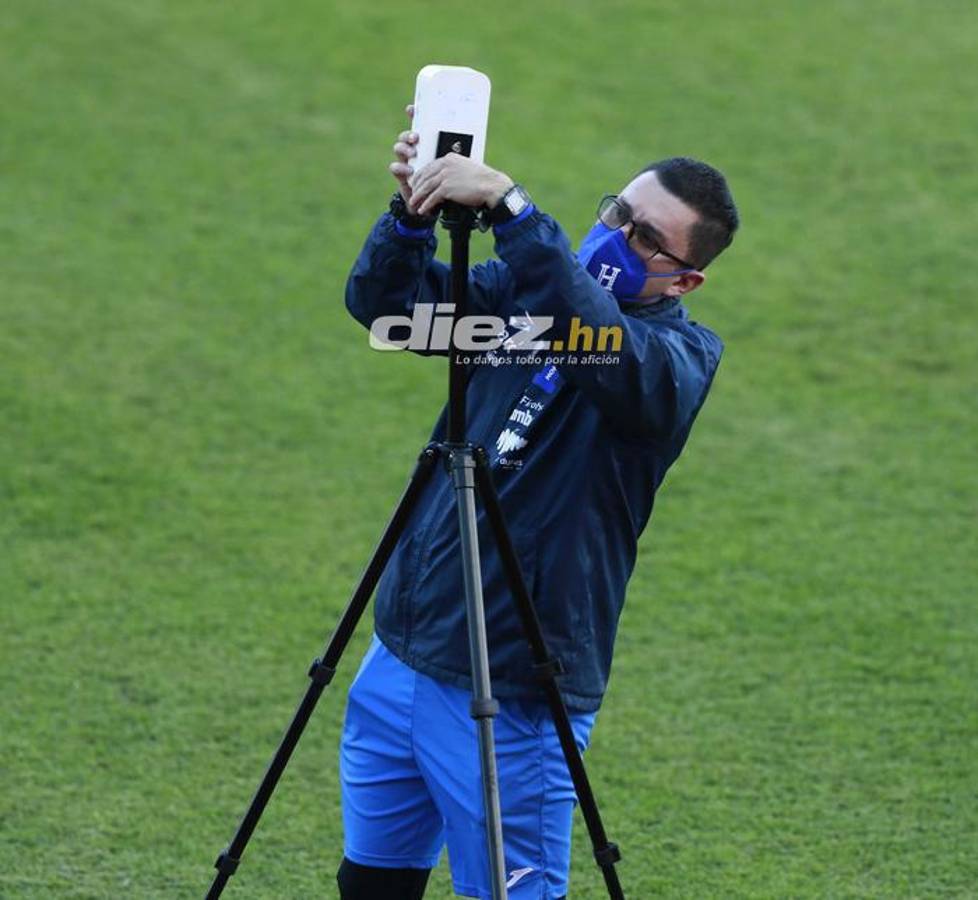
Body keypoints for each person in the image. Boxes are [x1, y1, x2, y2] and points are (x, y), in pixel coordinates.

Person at [336, 104, 739, 900]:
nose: (618, 237)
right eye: (619, 214)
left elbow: (595, 339)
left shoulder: (674, 361)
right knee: (371, 885)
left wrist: (512, 210)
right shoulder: (519, 300)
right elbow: (387, 312)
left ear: (686, 280)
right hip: (405, 649)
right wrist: (412, 219)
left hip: (516, 692)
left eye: (646, 238)